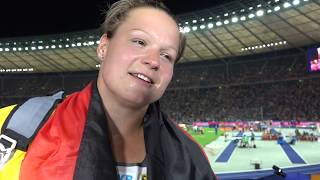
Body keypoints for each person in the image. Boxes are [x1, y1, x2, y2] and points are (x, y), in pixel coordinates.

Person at [0, 0, 216, 179]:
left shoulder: (192, 160)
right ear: (104, 47)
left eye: (166, 55)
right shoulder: (13, 127)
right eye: (139, 42)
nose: (153, 61)